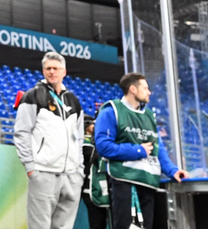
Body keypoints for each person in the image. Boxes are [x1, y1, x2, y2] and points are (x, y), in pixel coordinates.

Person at [94, 72, 188, 229]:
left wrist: (173, 171)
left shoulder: (149, 115)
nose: (149, 92)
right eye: (145, 88)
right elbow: (103, 147)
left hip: (147, 181)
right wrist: (137, 150)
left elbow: (158, 149)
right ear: (133, 89)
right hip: (124, 180)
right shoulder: (111, 111)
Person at [14, 52, 84, 229]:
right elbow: (21, 133)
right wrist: (31, 168)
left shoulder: (74, 101)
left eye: (56, 68)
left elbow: (80, 138)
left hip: (71, 176)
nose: (52, 72)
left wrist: (79, 172)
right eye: (48, 69)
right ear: (43, 71)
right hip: (43, 173)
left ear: (64, 72)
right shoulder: (32, 96)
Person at [80, 115, 109, 229]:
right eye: (93, 124)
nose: (96, 126)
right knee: (97, 224)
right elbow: (94, 154)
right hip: (90, 191)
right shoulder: (84, 145)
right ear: (85, 126)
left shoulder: (94, 143)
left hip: (102, 191)